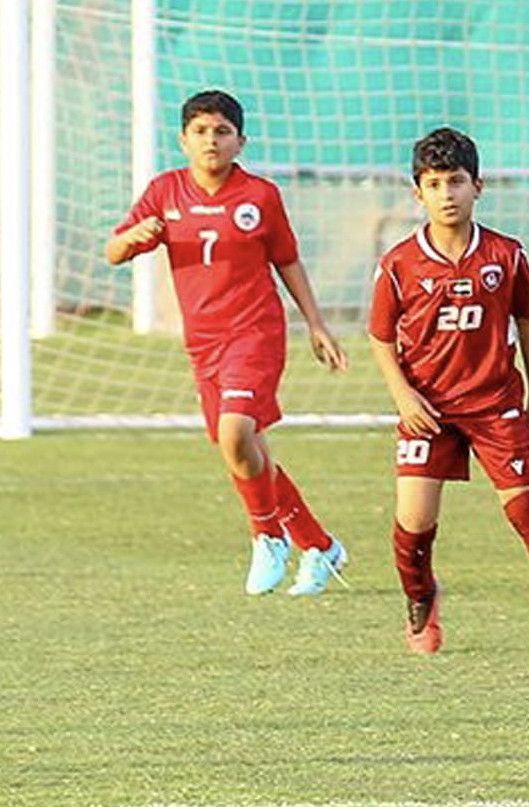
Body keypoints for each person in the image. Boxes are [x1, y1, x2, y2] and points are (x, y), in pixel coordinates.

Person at [367, 127, 529, 661]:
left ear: (479, 186)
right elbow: (380, 338)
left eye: (456, 182)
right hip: (428, 409)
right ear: (417, 193)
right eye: (434, 184)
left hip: (495, 405)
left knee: (528, 512)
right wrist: (403, 396)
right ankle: (422, 598)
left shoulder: (506, 255)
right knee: (413, 525)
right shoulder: (400, 264)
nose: (446, 194)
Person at [105, 89, 349, 597]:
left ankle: (268, 536)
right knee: (247, 455)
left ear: (241, 141)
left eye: (221, 131)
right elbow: (113, 250)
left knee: (236, 434)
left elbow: (287, 262)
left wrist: (317, 324)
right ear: (183, 139)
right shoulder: (165, 191)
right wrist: (135, 238)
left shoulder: (259, 196)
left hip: (255, 334)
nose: (211, 141)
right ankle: (321, 546)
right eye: (200, 131)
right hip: (204, 343)